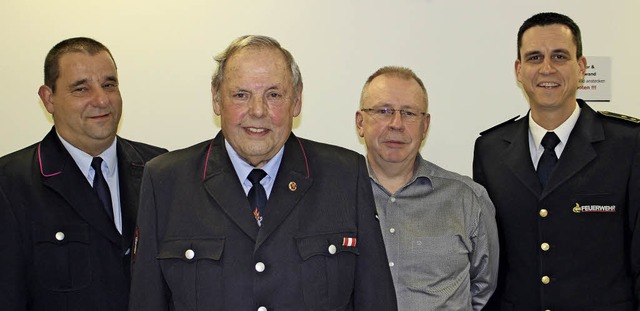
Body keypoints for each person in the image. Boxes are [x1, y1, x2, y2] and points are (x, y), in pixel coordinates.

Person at [129, 35, 397, 311]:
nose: (258, 111)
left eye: (274, 95)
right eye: (241, 95)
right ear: (216, 99)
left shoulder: (344, 175)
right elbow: (146, 300)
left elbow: (375, 298)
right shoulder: (166, 180)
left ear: (296, 101)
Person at [473, 12, 640, 310]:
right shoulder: (490, 150)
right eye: (535, 58)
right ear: (519, 69)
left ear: (581, 67)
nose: (547, 69)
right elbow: (489, 261)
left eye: (559, 56)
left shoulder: (628, 145)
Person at [0, 37, 167, 310]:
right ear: (48, 98)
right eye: (81, 89)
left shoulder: (160, 168)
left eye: (109, 85)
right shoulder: (10, 184)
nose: (101, 100)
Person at [355, 66, 499, 310]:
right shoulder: (332, 196)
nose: (396, 124)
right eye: (383, 111)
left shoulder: (468, 198)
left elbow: (483, 288)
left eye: (409, 113)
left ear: (425, 126)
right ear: (360, 122)